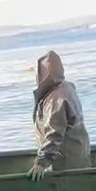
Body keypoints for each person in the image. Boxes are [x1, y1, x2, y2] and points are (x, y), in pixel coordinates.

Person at [28, 50, 90, 181]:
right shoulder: (67, 88)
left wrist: (42, 162)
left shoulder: (55, 99)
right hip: (78, 157)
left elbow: (54, 134)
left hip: (65, 164)